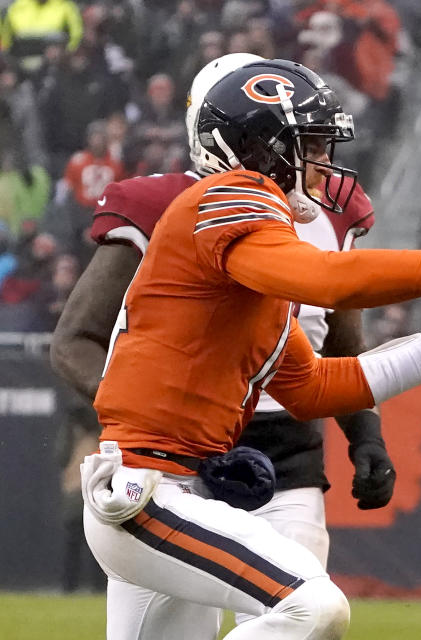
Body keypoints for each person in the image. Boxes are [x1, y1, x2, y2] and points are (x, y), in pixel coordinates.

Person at [71, 58, 421, 640]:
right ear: (258, 150)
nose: (325, 164)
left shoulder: (249, 273)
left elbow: (311, 387)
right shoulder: (227, 198)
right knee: (312, 607)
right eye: (310, 144)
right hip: (150, 491)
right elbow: (330, 281)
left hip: (164, 490)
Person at [50, 53, 397, 634]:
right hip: (169, 457)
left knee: (303, 618)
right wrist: (146, 411)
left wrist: (366, 435)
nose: (315, 158)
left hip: (285, 456)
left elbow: (339, 344)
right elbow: (75, 340)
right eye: (285, 139)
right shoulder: (158, 207)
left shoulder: (331, 212)